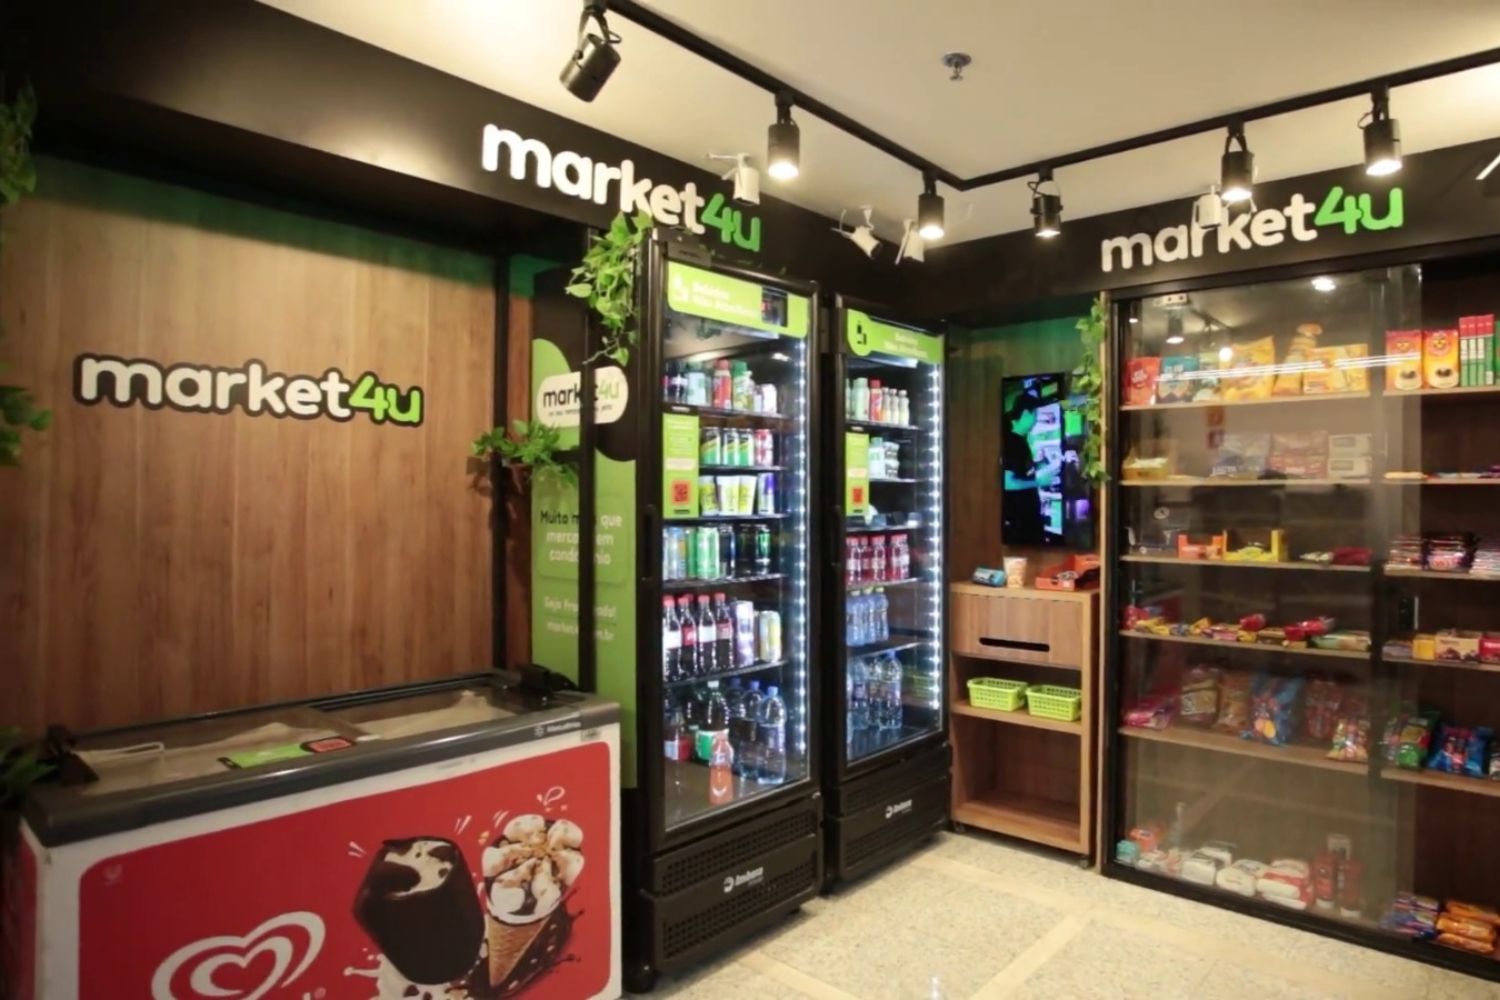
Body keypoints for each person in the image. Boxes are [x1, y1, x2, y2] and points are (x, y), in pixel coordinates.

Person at [1001, 389, 1061, 542]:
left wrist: (1042, 463)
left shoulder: (1018, 440)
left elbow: (1021, 469)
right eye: (1035, 414)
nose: (1035, 420)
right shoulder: (1013, 442)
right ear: (1026, 413)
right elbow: (1008, 483)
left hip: (1025, 520)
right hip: (1020, 523)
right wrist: (1039, 482)